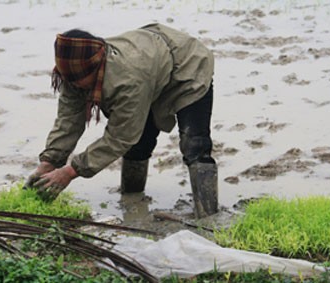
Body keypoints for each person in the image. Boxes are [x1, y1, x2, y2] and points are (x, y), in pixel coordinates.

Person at [25, 23, 218, 218]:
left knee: (194, 144)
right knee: (138, 144)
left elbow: (120, 137)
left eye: (77, 80)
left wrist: (70, 171)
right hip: (152, 66)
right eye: (69, 80)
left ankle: (208, 216)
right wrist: (49, 161)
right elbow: (68, 121)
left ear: (96, 66)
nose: (73, 84)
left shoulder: (126, 80)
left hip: (187, 65)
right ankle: (132, 200)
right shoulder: (72, 73)